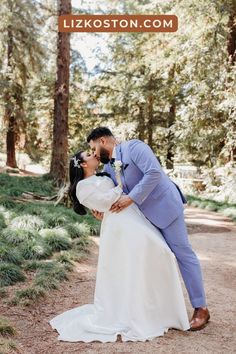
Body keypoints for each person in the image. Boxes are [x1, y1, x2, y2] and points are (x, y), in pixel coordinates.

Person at [49, 150, 190, 343]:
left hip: (133, 216)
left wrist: (122, 190)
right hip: (119, 225)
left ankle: (157, 309)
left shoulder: (104, 175)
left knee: (160, 252)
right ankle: (133, 310)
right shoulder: (82, 187)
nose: (94, 155)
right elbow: (105, 201)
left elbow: (115, 196)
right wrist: (122, 189)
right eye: (89, 155)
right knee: (130, 263)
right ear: (82, 164)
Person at [87, 127, 210, 331]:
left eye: (93, 148)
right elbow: (110, 191)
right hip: (142, 219)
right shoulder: (109, 168)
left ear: (102, 141)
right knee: (154, 259)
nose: (94, 153)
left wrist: (132, 197)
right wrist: (99, 207)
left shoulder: (134, 147)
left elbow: (154, 172)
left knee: (182, 253)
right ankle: (159, 311)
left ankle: (201, 308)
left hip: (165, 208)